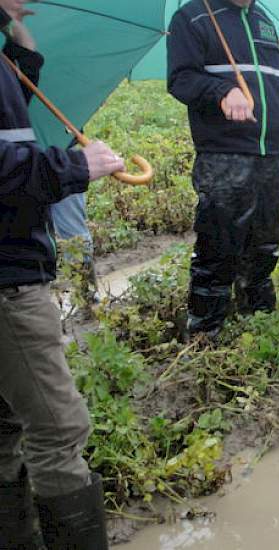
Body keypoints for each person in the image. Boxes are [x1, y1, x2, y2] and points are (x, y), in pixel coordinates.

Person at [0, 0, 126, 546]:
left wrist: (21, 52)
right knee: (58, 428)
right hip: (8, 280)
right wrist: (78, 165)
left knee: (6, 424)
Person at [168, 0, 279, 339]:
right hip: (224, 156)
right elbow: (180, 79)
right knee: (219, 246)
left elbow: (276, 76)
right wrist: (223, 91)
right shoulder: (192, 17)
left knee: (266, 242)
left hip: (271, 152)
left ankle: (258, 317)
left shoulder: (262, 19)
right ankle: (206, 333)